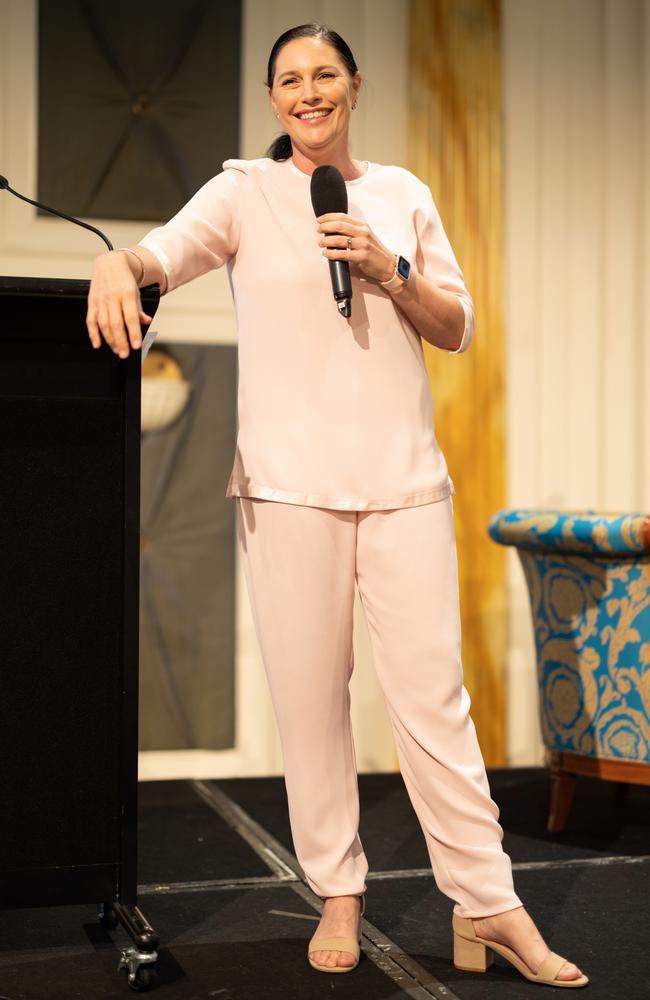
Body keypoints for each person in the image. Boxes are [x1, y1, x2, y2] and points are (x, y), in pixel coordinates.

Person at [86, 22, 588, 988]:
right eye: (289, 79)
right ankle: (340, 891)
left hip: (404, 481)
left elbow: (456, 328)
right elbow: (163, 254)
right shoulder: (244, 190)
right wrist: (118, 264)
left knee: (433, 699)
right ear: (273, 99)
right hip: (287, 486)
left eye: (325, 74)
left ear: (354, 85)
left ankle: (488, 903)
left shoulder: (402, 195)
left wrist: (386, 270)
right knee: (312, 704)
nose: (308, 91)